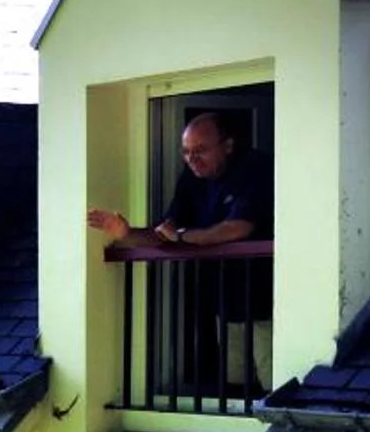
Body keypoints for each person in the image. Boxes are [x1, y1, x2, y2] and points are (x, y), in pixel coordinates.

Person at [86, 112, 273, 395]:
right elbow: (164, 235)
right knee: (237, 386)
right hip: (227, 299)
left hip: (268, 299)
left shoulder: (255, 168)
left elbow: (237, 228)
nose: (192, 159)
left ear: (229, 145)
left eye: (200, 151)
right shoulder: (192, 178)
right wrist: (125, 233)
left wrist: (183, 236)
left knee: (273, 382)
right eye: (186, 152)